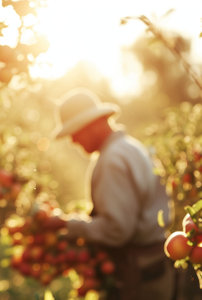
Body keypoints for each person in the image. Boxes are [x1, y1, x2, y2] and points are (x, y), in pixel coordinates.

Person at [51, 88, 176, 300]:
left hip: (138, 277)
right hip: (155, 267)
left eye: (75, 132)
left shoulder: (112, 161)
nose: (73, 141)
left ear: (93, 124)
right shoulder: (130, 147)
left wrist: (67, 224)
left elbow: (117, 230)